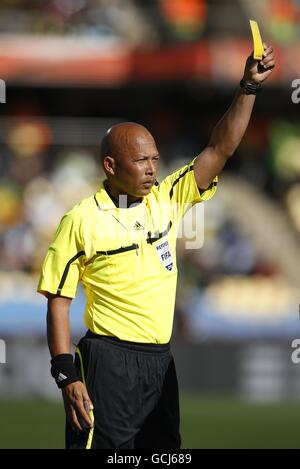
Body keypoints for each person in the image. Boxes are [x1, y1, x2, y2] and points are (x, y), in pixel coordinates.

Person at [37, 44, 275, 449]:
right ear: (111, 166)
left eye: (155, 159)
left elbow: (220, 148)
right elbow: (58, 300)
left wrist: (248, 88)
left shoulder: (167, 198)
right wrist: (66, 374)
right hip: (106, 362)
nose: (152, 169)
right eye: (141, 161)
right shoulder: (81, 220)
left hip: (160, 362)